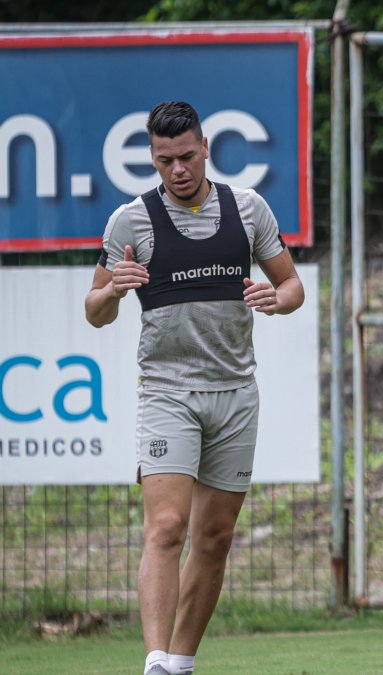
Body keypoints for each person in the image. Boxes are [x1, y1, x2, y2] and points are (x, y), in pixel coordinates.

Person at [84, 101, 304, 675]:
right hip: (167, 393)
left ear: (205, 148)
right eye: (164, 160)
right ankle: (155, 661)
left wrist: (273, 301)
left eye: (186, 156)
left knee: (215, 535)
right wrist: (112, 292)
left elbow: (292, 286)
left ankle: (180, 663)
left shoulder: (247, 208)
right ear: (152, 159)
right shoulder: (129, 222)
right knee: (166, 527)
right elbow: (94, 310)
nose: (177, 169)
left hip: (235, 393)